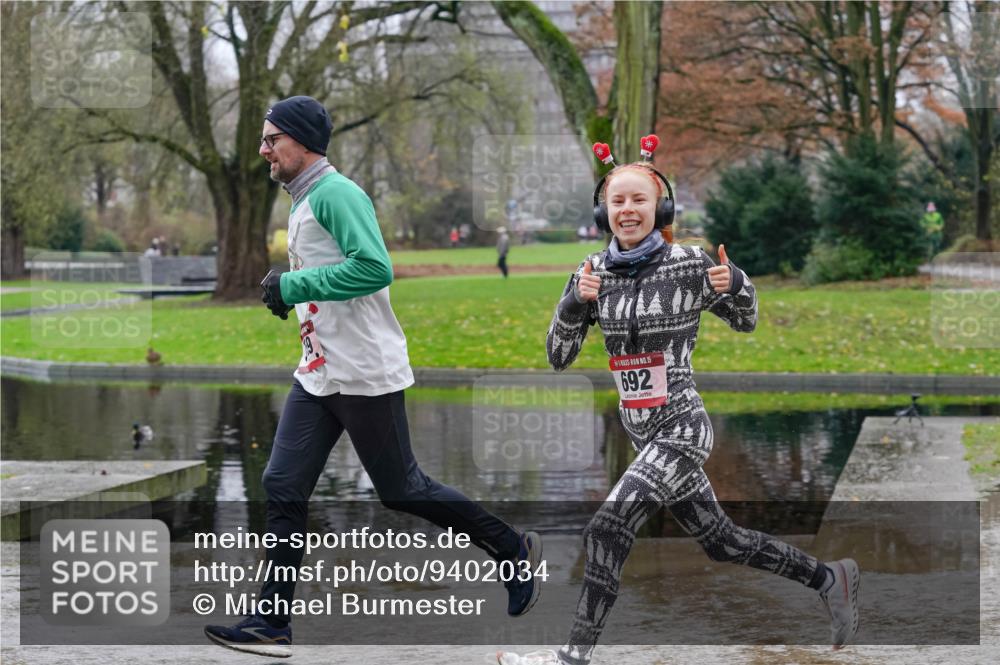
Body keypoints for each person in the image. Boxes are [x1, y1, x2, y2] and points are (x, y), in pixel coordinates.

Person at [497, 139, 860, 665]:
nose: (627, 211)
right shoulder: (591, 272)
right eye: (617, 201)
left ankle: (572, 658)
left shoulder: (689, 263)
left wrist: (737, 283)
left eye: (638, 200)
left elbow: (746, 318)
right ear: (604, 211)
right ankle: (830, 579)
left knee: (607, 526)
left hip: (681, 428)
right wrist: (574, 301)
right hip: (643, 434)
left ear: (660, 208)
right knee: (723, 542)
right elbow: (558, 355)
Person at [204, 95, 542, 658]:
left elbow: (374, 267)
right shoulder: (305, 197)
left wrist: (293, 287)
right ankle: (271, 623)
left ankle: (509, 548)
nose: (263, 149)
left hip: (364, 373)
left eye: (272, 139)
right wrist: (290, 288)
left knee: (402, 489)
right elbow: (328, 269)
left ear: (302, 142)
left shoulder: (336, 193)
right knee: (282, 485)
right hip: (318, 373)